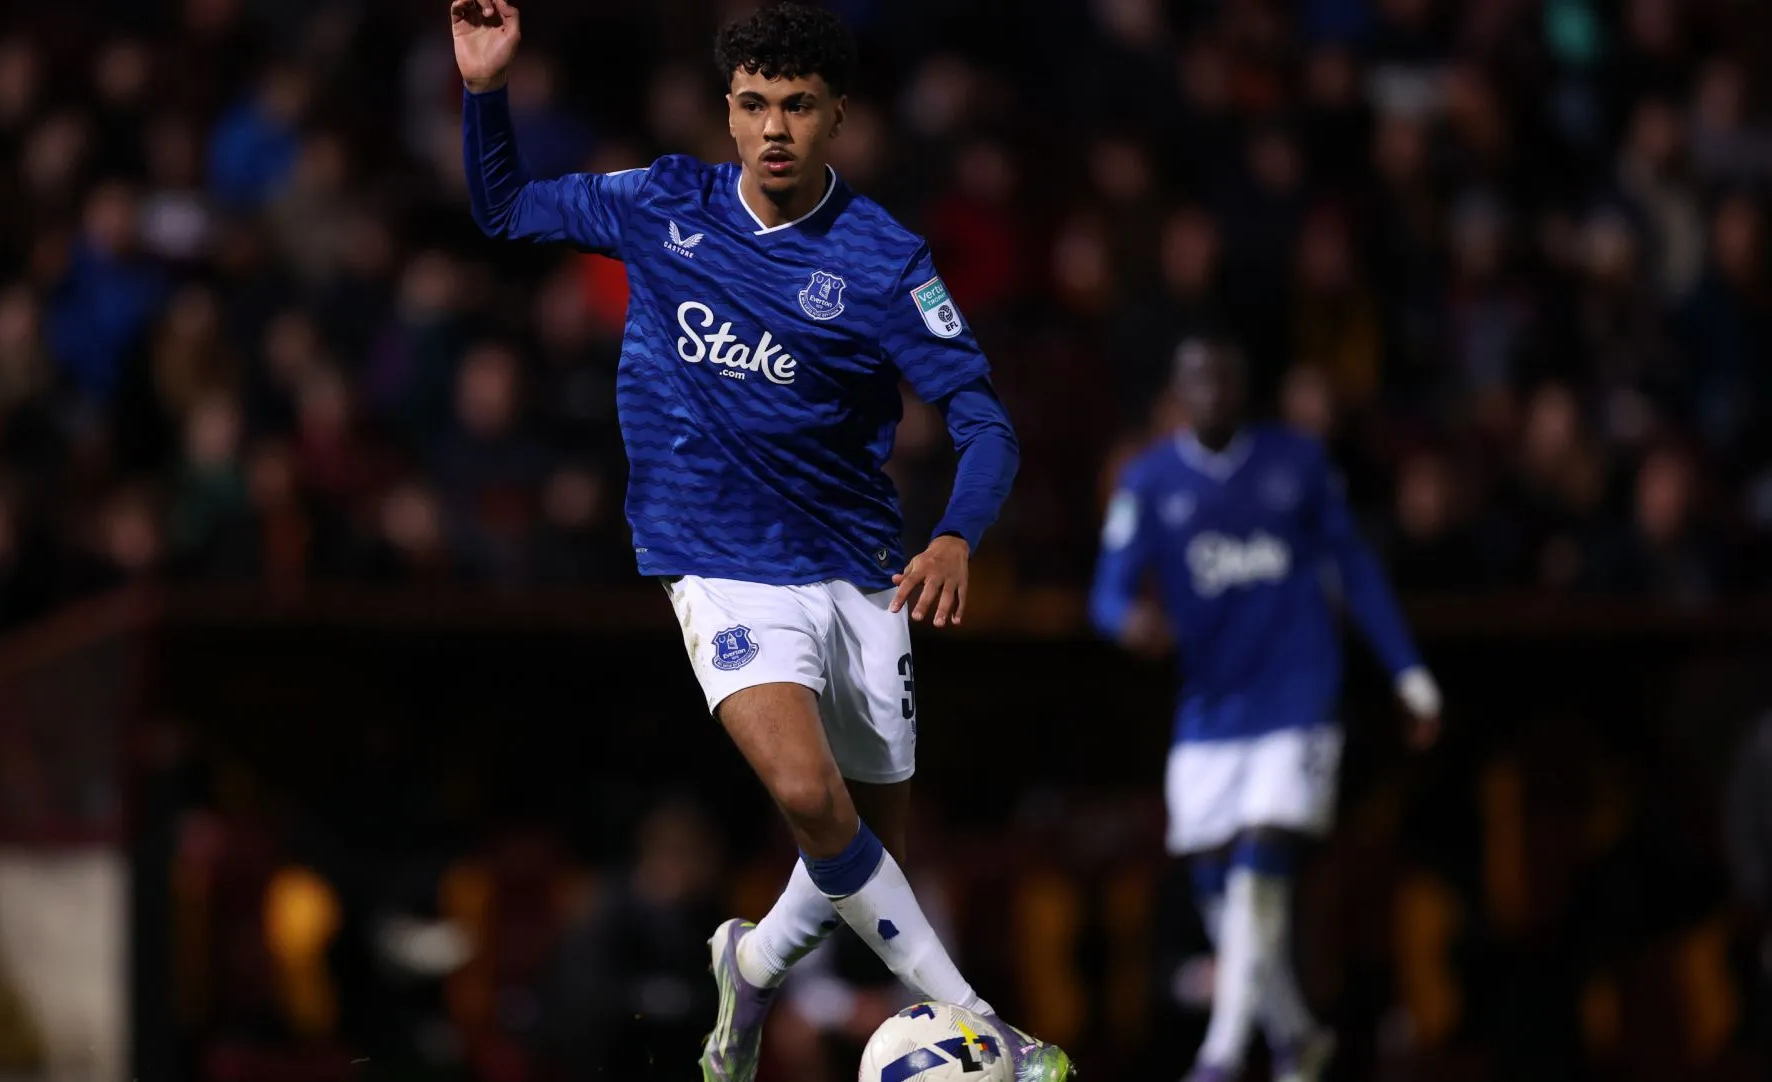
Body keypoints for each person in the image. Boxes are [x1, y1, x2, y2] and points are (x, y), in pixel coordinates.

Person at [449, 2, 1071, 1080]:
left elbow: (983, 420)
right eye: (752, 105)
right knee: (806, 795)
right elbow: (502, 209)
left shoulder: (886, 260)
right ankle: (984, 1022)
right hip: (717, 558)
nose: (773, 128)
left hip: (861, 567)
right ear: (726, 113)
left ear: (837, 117)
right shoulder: (661, 204)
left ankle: (751, 967)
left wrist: (959, 534)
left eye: (796, 106)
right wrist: (487, 87)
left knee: (863, 850)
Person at [1089, 337, 1442, 1082]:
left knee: (1259, 863)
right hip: (1210, 709)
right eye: (1199, 381)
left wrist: (1408, 673)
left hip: (1299, 697)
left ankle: (1217, 1059)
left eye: (1225, 378)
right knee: (1218, 886)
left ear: (1245, 388)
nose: (1213, 393)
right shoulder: (1150, 482)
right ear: (1179, 394)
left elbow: (1356, 570)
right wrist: (1130, 622)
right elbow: (1106, 592)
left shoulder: (1299, 464)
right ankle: (1297, 1036)